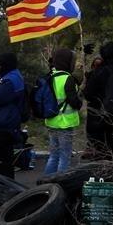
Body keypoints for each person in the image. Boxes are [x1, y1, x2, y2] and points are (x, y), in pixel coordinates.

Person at [0, 53, 26, 178]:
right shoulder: (9, 77)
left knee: (5, 162)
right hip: (2, 123)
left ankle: (7, 189)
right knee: (3, 162)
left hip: (4, 124)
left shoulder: (10, 79)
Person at [43, 47, 83, 175]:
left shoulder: (50, 76)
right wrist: (80, 102)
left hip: (51, 121)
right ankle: (61, 186)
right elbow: (73, 101)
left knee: (53, 155)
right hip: (65, 123)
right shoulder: (67, 78)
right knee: (64, 157)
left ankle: (46, 183)